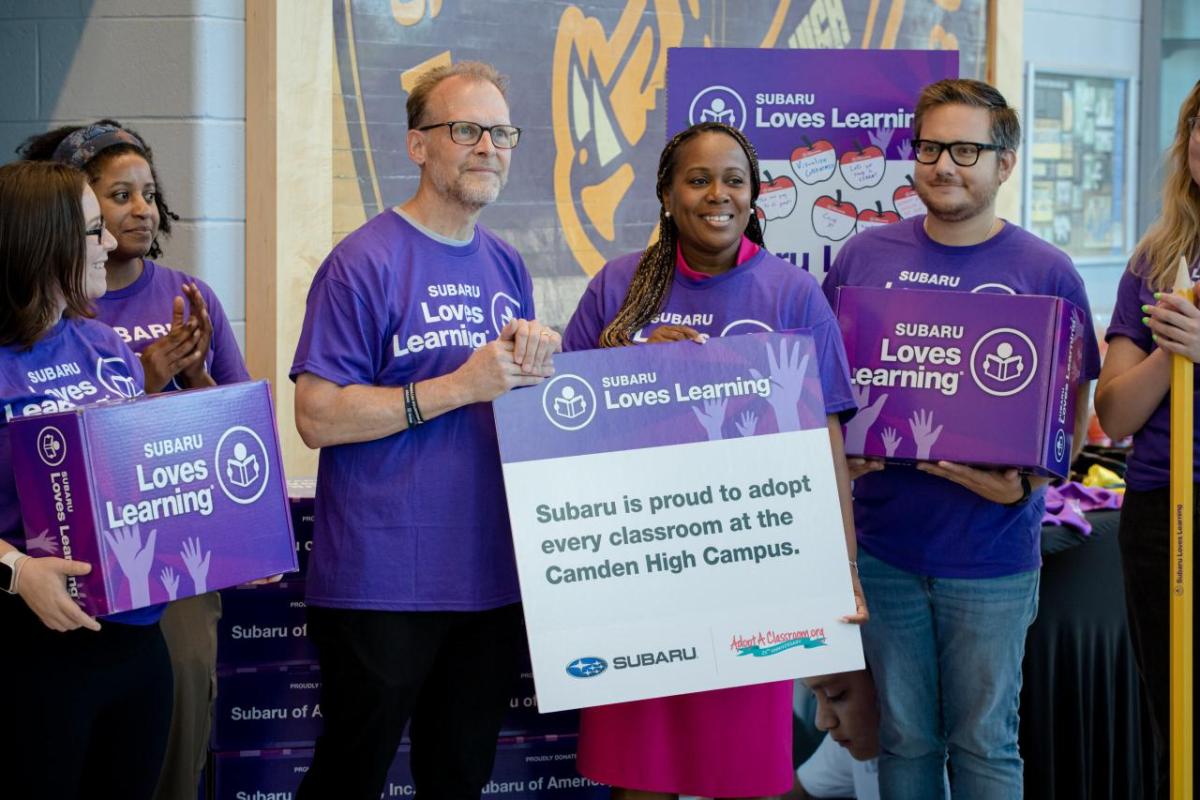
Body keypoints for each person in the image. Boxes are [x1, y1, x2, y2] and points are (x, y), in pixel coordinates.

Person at [562, 120, 865, 799]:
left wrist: (843, 574)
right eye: (698, 179)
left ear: (756, 196)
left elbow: (826, 447)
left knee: (743, 773)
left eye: (734, 179)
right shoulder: (616, 289)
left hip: (752, 575)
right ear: (668, 196)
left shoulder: (791, 295)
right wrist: (632, 366)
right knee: (641, 772)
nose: (717, 193)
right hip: (637, 572)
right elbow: (562, 425)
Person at [822, 78, 1100, 799]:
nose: (945, 165)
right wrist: (838, 465)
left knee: (983, 743)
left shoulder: (1046, 272)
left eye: (967, 149)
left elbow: (1073, 403)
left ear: (1004, 163)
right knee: (905, 740)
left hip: (994, 554)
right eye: (931, 147)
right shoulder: (860, 261)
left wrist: (1028, 482)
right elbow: (826, 390)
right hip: (884, 549)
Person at [289, 61, 559, 800]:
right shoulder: (361, 263)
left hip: (488, 579)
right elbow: (315, 416)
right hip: (383, 582)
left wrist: (539, 367)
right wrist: (457, 387)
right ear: (418, 146)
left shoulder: (506, 264)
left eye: (501, 132)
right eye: (465, 130)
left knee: (459, 779)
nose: (488, 147)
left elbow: (510, 403)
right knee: (351, 774)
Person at [19, 119, 251, 800]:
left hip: (149, 600)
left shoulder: (131, 327)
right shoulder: (37, 342)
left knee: (160, 760)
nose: (137, 215)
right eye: (110, 206)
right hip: (45, 620)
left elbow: (215, 437)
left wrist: (195, 382)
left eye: (148, 195)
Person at [0, 160, 169, 798]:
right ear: (41, 244)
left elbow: (139, 478)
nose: (110, 244)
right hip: (32, 647)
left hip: (134, 642)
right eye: (93, 230)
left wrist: (226, 533)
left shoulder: (104, 346)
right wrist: (16, 570)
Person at [1094, 80, 1200, 800]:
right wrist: (1173, 352)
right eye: (1199, 126)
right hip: (1165, 515)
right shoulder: (1156, 260)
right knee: (1180, 723)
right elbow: (1117, 415)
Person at [794, 670, 881, 800]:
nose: (821, 723)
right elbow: (799, 787)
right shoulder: (850, 745)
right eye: (814, 696)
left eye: (836, 695)